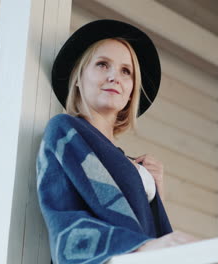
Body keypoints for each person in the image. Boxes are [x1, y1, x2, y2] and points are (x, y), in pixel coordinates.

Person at [36, 19, 196, 264]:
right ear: (77, 77)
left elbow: (151, 236)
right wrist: (141, 247)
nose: (115, 77)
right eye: (102, 65)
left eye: (126, 71)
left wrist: (155, 196)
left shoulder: (130, 164)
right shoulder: (65, 131)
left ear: (132, 89)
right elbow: (67, 226)